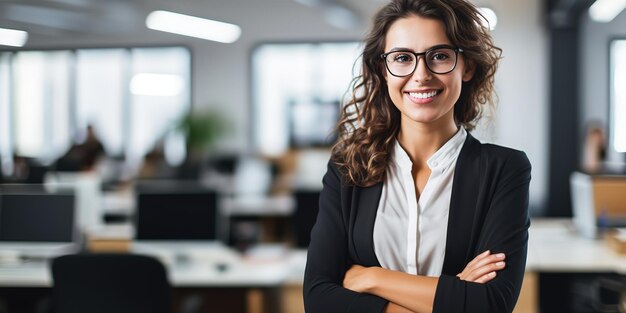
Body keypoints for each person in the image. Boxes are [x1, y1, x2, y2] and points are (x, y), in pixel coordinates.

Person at [303, 0, 532, 312]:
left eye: (439, 56)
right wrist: (452, 295)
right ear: (383, 70)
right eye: (402, 58)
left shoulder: (504, 170)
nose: (421, 74)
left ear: (467, 67)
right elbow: (318, 298)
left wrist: (371, 278)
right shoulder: (348, 167)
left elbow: (490, 304)